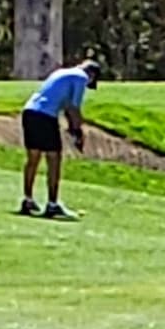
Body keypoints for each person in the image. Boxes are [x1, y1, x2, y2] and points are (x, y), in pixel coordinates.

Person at [17, 56, 97, 217]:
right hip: (46, 116)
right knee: (54, 159)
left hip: (29, 112)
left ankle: (28, 200)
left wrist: (72, 128)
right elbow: (74, 108)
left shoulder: (62, 72)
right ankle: (52, 204)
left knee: (33, 157)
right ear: (92, 75)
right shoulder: (81, 78)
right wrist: (78, 133)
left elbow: (66, 106)